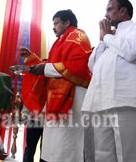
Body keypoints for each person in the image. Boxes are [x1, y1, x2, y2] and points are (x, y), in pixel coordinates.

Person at [81, 0, 136, 162]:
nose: (105, 15)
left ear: (123, 11)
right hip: (100, 102)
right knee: (102, 155)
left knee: (131, 155)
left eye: (109, 9)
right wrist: (103, 39)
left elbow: (131, 50)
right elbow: (92, 65)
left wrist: (107, 37)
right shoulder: (109, 38)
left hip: (126, 100)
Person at [20, 9, 92, 162]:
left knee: (67, 145)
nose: (53, 27)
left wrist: (45, 68)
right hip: (55, 100)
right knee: (52, 146)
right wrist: (32, 59)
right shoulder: (59, 42)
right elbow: (51, 66)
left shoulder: (78, 36)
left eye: (56, 23)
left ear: (67, 22)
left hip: (73, 98)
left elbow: (78, 66)